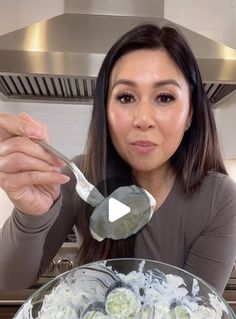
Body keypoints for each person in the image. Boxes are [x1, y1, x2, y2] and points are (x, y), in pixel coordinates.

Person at [0, 23, 236, 293]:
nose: (143, 120)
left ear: (190, 115)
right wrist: (29, 216)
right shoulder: (79, 177)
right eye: (125, 97)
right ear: (105, 111)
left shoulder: (219, 198)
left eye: (164, 97)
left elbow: (195, 313)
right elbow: (7, 286)